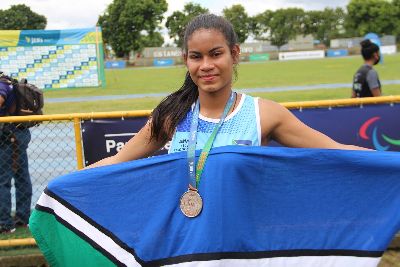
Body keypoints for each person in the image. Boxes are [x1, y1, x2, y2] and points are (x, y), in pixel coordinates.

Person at [88, 14, 366, 170]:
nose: (206, 66)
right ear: (186, 60)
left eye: (216, 54)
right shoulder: (173, 115)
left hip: (243, 246)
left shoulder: (264, 114)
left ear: (234, 54)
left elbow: (337, 151)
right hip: (187, 246)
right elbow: (116, 161)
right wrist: (63, 185)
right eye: (196, 56)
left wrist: (390, 163)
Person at [0, 72, 32, 234]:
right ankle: (22, 219)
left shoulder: (2, 84)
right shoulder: (7, 81)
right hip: (17, 134)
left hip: (8, 138)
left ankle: (5, 224)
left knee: (3, 181)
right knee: (21, 177)